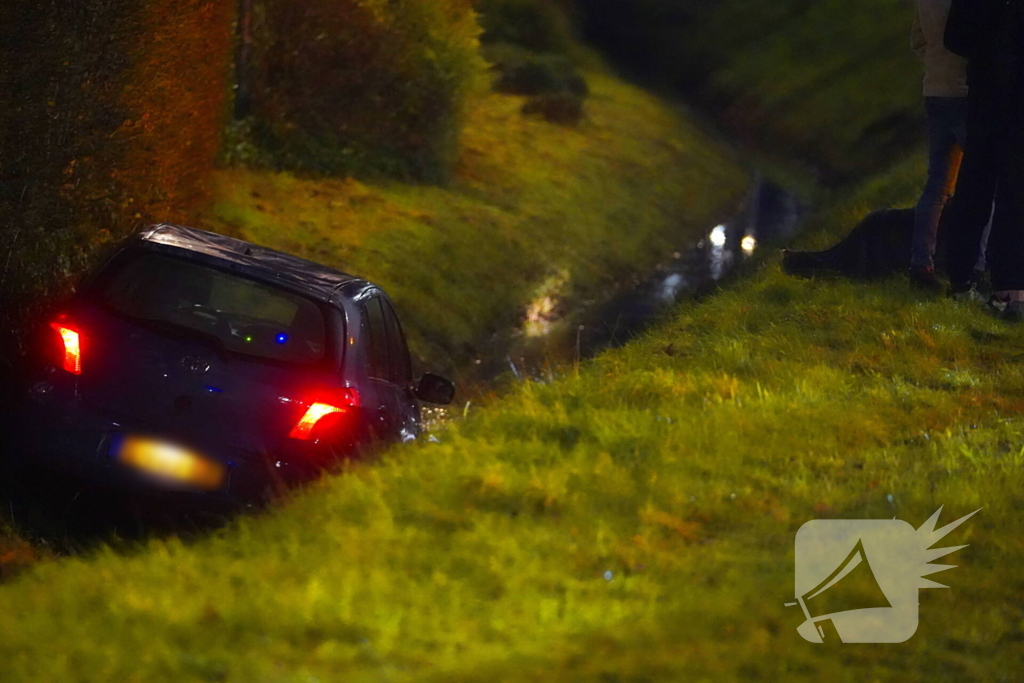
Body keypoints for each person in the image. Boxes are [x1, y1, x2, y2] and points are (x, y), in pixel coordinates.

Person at [945, 0, 1024, 318]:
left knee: (982, 185)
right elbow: (957, 35)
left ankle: (969, 279)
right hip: (994, 94)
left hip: (988, 92)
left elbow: (956, 37)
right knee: (999, 189)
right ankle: (1005, 285)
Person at [909, 0, 969, 293]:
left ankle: (922, 265)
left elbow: (918, 40)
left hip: (935, 91)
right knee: (988, 186)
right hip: (969, 93)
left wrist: (936, 65)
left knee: (937, 186)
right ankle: (976, 268)